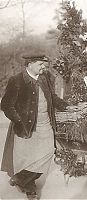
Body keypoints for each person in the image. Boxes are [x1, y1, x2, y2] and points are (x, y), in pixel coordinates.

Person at [1, 54, 69, 199]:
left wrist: (66, 106)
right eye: (40, 64)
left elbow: (53, 97)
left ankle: (20, 178)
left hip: (45, 123)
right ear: (29, 64)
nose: (44, 68)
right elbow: (6, 105)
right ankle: (30, 188)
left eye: (44, 65)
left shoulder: (45, 78)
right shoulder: (17, 80)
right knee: (27, 158)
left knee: (49, 151)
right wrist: (19, 121)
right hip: (26, 126)